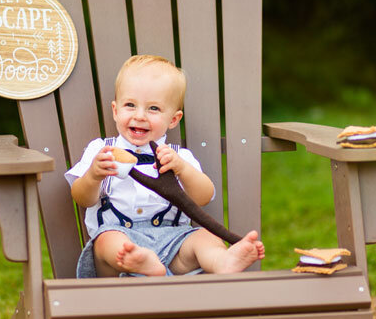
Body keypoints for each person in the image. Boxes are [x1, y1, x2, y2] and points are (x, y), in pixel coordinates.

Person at [66, 54, 265, 278]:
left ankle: (222, 260)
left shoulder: (178, 157)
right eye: (130, 105)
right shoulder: (101, 151)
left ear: (173, 119)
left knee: (203, 237)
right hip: (120, 246)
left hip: (173, 241)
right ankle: (140, 261)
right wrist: (93, 175)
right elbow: (82, 198)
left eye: (153, 109)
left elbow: (203, 197)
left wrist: (183, 170)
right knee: (106, 241)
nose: (139, 116)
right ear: (115, 110)